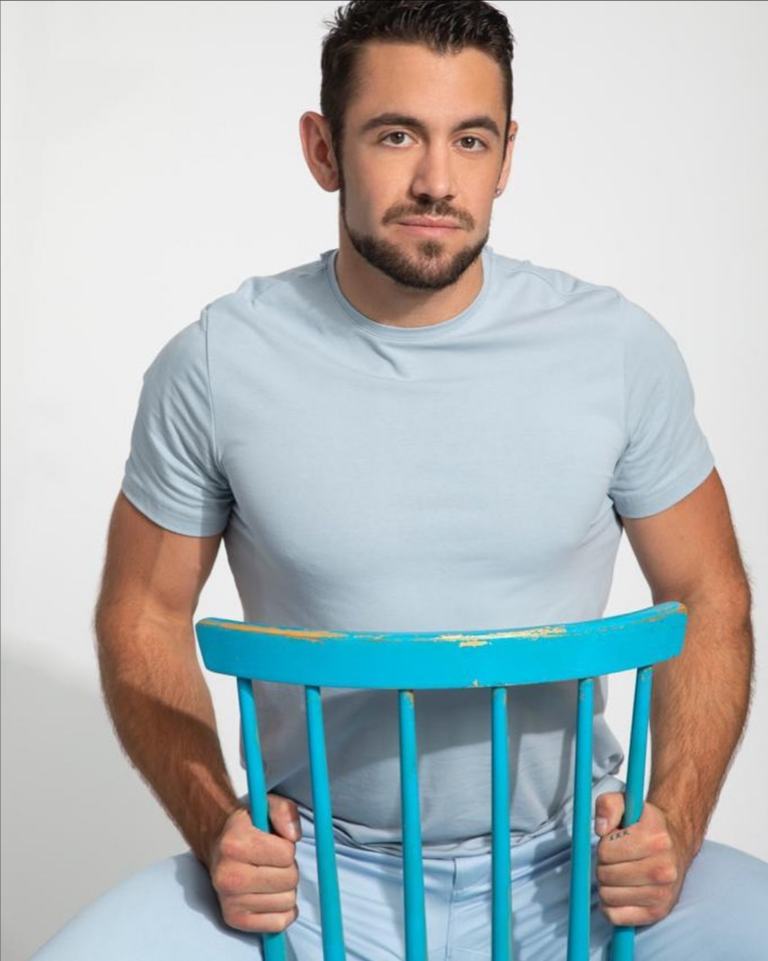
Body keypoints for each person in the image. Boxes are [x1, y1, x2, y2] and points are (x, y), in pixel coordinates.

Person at [33, 1, 767, 959]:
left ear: (506, 156)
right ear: (323, 150)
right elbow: (142, 611)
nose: (437, 181)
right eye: (395, 135)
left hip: (576, 869)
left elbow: (709, 591)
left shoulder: (617, 350)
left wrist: (674, 819)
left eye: (470, 140)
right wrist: (218, 826)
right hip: (309, 880)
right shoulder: (216, 363)